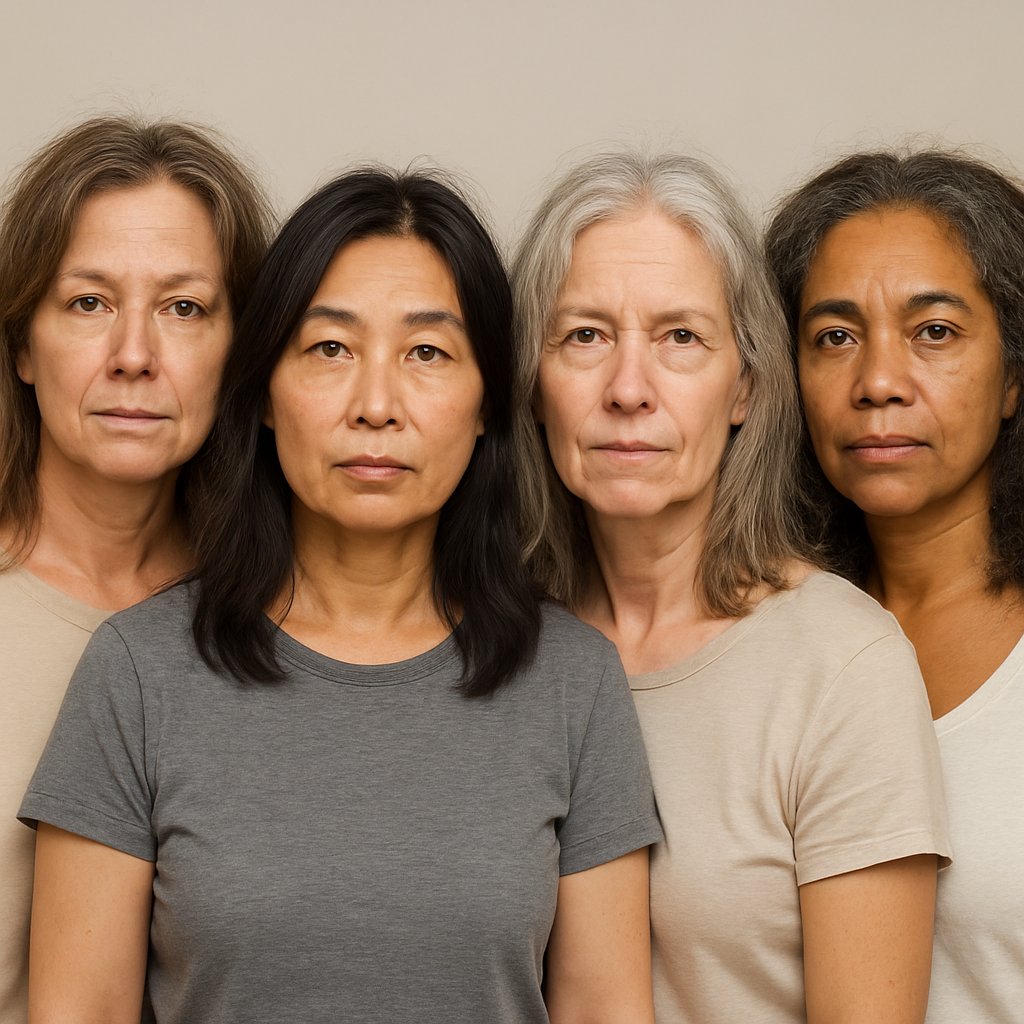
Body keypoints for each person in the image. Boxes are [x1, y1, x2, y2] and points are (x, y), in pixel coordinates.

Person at [20, 168, 662, 1024]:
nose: (376, 405)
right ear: (266, 398)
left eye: (428, 353)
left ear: (485, 407)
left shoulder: (574, 683)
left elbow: (604, 1011)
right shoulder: (139, 671)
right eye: (330, 349)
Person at [514, 151, 951, 1023]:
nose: (628, 390)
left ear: (745, 385)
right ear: (532, 380)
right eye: (585, 335)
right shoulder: (493, 645)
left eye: (681, 337)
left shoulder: (841, 663)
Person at [0, 115, 270, 1024]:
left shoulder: (282, 623)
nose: (134, 356)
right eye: (88, 303)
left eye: (184, 307)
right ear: (22, 343)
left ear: (243, 352)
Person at [766, 149, 1024, 1023]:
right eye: (834, 337)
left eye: (935, 332)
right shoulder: (765, 642)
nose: (877, 383)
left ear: (1014, 375)